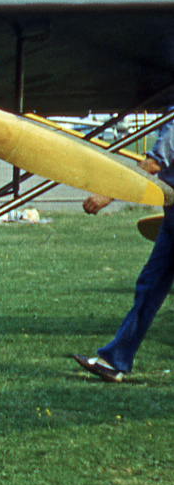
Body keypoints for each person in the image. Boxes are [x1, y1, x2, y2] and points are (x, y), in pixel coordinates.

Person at [74, 121, 174, 382]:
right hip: (171, 217)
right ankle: (114, 360)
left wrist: (108, 195)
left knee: (149, 287)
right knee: (149, 287)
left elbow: (154, 164)